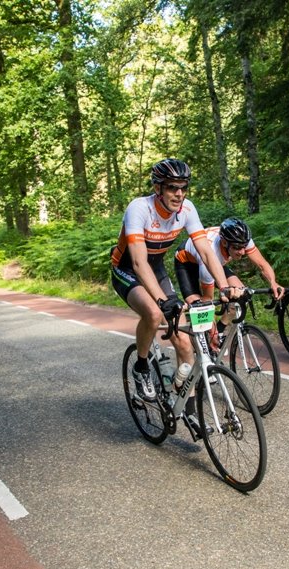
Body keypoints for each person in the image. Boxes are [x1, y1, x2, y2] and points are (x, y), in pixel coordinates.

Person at [111, 158, 239, 434]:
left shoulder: (187, 209)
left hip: (155, 268)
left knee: (184, 341)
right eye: (171, 188)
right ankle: (142, 367)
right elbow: (138, 263)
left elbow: (206, 251)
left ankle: (188, 409)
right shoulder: (139, 208)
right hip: (128, 268)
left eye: (183, 188)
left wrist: (225, 287)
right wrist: (162, 300)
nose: (178, 194)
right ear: (158, 188)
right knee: (156, 313)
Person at [174, 217, 284, 349]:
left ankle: (220, 330)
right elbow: (207, 299)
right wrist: (211, 330)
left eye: (244, 247)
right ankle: (204, 342)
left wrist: (273, 282)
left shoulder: (241, 240)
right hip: (187, 263)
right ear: (225, 243)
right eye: (237, 248)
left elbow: (262, 264)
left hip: (217, 262)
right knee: (200, 306)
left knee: (240, 293)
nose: (242, 252)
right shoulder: (212, 250)